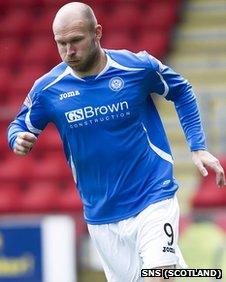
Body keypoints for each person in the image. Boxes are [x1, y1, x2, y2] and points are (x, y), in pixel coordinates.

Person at [7, 2, 225, 282]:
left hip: (152, 196)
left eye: (76, 41)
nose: (68, 52)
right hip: (102, 214)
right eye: (61, 44)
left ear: (97, 32)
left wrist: (198, 146)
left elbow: (181, 91)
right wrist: (18, 140)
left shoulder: (137, 67)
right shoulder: (48, 89)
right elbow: (19, 126)